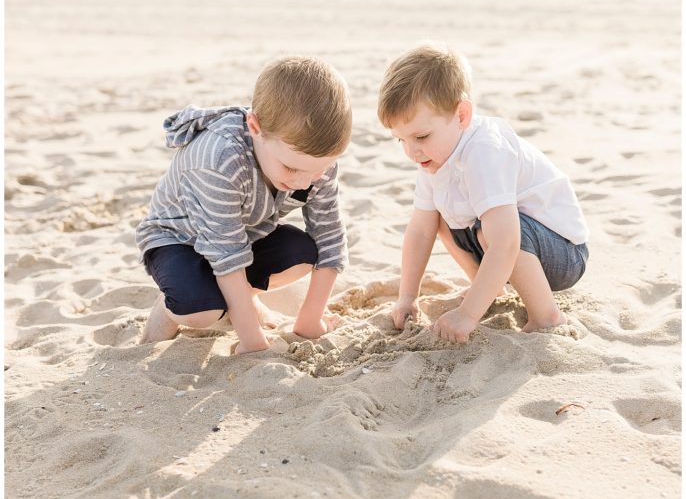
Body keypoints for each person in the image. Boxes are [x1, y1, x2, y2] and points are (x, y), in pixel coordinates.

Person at [136, 55, 351, 352]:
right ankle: (170, 303)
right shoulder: (220, 159)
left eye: (317, 171)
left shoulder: (313, 164)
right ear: (255, 126)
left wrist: (310, 321)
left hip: (243, 235)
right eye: (291, 168)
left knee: (303, 253)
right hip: (177, 240)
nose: (305, 182)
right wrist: (253, 344)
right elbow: (227, 255)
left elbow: (330, 237)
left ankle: (244, 300)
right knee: (200, 309)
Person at [377, 42, 589, 342]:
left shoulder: (486, 151)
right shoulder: (433, 158)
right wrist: (407, 296)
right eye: (401, 140)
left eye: (421, 136)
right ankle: (489, 286)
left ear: (462, 115)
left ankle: (547, 316)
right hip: (512, 246)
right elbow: (421, 231)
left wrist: (467, 316)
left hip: (563, 254)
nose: (412, 151)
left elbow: (505, 241)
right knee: (440, 216)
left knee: (492, 229)